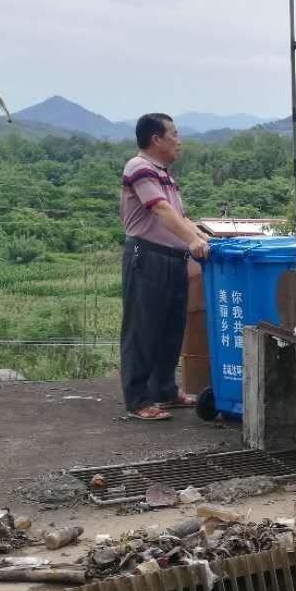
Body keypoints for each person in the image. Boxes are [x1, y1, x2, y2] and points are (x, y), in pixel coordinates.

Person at [118, 113, 210, 422]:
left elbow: (179, 216)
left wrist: (204, 239)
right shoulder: (140, 168)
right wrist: (193, 242)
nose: (178, 140)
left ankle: (164, 390)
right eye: (174, 134)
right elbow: (160, 210)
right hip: (147, 257)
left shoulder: (164, 173)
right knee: (143, 329)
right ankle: (137, 399)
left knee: (171, 328)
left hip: (173, 258)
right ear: (156, 139)